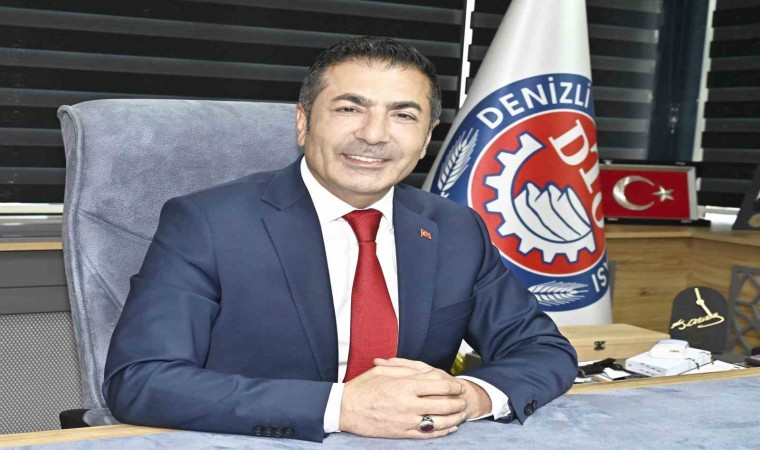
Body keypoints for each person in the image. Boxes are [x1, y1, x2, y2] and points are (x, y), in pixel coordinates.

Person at [103, 36, 577, 443]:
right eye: (350, 109)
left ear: (427, 137)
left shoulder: (455, 229)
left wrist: (471, 397)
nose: (374, 135)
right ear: (303, 122)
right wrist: (341, 407)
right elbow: (141, 381)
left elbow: (542, 350)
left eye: (403, 115)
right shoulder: (208, 223)